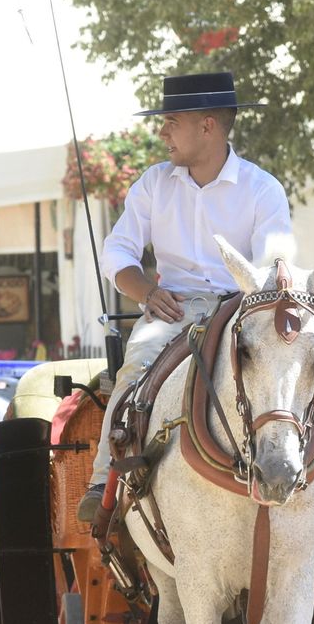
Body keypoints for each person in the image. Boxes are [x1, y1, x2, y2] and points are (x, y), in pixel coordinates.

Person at [77, 72, 293, 522]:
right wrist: (147, 292)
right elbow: (117, 250)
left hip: (241, 309)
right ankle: (104, 482)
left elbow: (274, 267)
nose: (162, 131)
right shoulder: (154, 184)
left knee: (286, 376)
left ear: (207, 126)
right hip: (170, 308)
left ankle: (291, 465)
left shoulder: (262, 189)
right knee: (134, 368)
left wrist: (247, 309)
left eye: (171, 120)